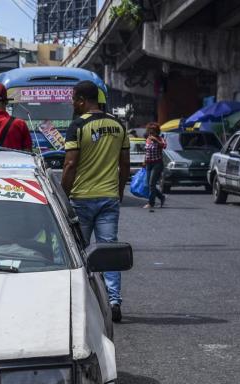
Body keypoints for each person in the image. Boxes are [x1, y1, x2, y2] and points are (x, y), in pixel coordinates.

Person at [61, 81, 131, 322]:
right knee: (109, 250)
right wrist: (119, 191)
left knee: (79, 252)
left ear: (82, 100)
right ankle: (113, 301)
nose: (72, 103)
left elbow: (70, 164)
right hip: (109, 197)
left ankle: (84, 303)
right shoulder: (118, 125)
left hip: (81, 198)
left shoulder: (78, 126)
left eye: (74, 99)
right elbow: (125, 166)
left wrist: (63, 194)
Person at [143, 122, 166, 211]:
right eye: (150, 131)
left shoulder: (160, 139)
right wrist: (144, 161)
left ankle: (151, 203)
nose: (151, 133)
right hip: (149, 164)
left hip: (157, 164)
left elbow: (164, 146)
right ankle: (161, 197)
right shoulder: (148, 139)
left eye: (153, 131)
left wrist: (156, 140)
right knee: (149, 184)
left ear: (157, 132)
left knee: (152, 183)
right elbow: (147, 152)